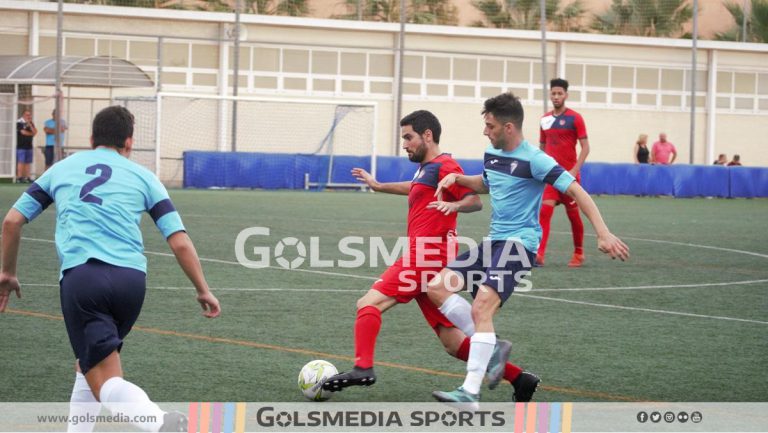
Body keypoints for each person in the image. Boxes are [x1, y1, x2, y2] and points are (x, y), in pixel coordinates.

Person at [0, 106, 221, 432]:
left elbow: (12, 221)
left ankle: (160, 423)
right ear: (129, 143)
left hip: (84, 280)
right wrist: (203, 288)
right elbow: (180, 242)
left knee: (104, 378)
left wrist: (7, 273)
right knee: (88, 364)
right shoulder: (144, 177)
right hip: (132, 283)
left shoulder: (62, 168)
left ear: (91, 139)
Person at [426, 92, 630, 406]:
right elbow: (488, 182)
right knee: (437, 287)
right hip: (493, 243)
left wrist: (602, 233)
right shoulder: (492, 154)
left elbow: (576, 190)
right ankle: (492, 348)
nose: (485, 131)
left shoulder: (536, 160)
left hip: (520, 245)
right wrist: (460, 178)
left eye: (490, 126)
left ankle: (469, 391)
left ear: (509, 127)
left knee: (481, 308)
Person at [322, 110, 533, 398]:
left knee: (368, 303)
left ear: (427, 135)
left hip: (427, 255)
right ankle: (520, 378)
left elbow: (473, 200)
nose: (404, 144)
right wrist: (379, 186)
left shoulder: (445, 165)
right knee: (452, 342)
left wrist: (456, 207)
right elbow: (416, 188)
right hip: (429, 258)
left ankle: (363, 368)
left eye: (408, 137)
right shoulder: (427, 168)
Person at [537, 78, 590, 268]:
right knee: (544, 211)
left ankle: (579, 252)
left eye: (560, 93)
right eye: (554, 93)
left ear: (566, 95)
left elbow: (585, 147)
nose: (556, 96)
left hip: (569, 177)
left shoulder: (575, 118)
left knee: (573, 215)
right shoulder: (545, 119)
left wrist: (575, 170)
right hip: (550, 175)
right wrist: (538, 169)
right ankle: (539, 254)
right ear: (550, 95)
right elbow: (542, 147)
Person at [15, 109, 37, 183]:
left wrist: (30, 125)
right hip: (21, 146)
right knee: (21, 162)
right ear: (23, 115)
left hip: (29, 146)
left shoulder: (31, 123)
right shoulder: (19, 122)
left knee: (28, 162)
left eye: (30, 115)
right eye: (27, 115)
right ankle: (19, 177)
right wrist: (31, 133)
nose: (29, 116)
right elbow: (23, 132)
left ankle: (27, 177)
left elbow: (35, 132)